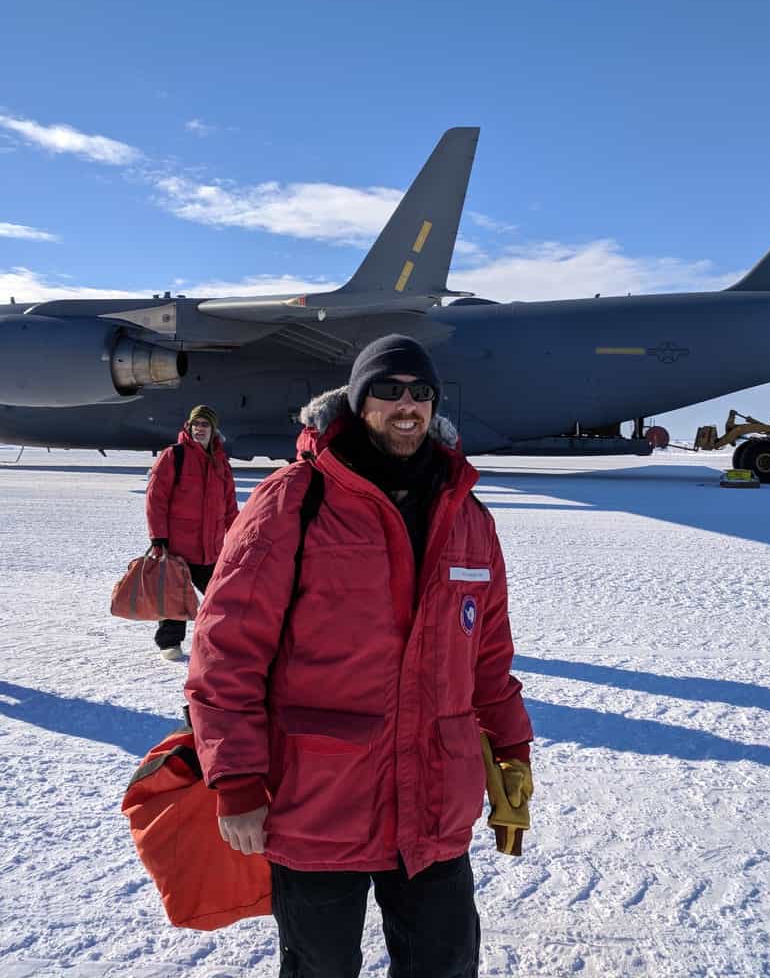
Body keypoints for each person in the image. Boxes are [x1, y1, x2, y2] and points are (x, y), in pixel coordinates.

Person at [185, 334, 534, 977]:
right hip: (319, 799)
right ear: (357, 398)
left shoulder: (469, 515)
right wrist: (235, 781)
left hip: (434, 796)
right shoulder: (296, 498)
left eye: (421, 393)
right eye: (389, 389)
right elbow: (227, 648)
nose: (407, 405)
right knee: (320, 970)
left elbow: (489, 656)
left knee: (447, 965)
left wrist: (511, 753)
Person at [143, 405, 238, 661]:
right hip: (178, 544)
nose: (200, 429)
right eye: (196, 424)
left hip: (211, 546)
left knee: (222, 596)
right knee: (175, 596)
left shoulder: (221, 461)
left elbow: (229, 503)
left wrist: (239, 533)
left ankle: (222, 640)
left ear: (213, 429)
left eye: (205, 425)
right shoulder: (174, 456)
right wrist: (158, 537)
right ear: (189, 426)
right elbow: (156, 499)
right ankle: (169, 645)